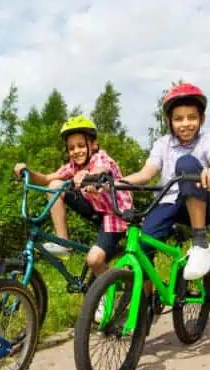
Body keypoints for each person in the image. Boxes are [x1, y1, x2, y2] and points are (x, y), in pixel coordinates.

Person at [121, 82, 210, 281]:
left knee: (186, 163)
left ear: (202, 119)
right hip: (169, 203)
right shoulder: (162, 144)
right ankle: (145, 298)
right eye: (178, 119)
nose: (185, 123)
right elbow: (145, 174)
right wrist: (112, 182)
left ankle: (201, 243)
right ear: (169, 121)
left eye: (192, 117)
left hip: (203, 202)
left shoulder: (206, 139)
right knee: (143, 245)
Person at [13, 116, 132, 277]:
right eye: (71, 148)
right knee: (54, 185)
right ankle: (63, 244)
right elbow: (46, 178)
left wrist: (89, 176)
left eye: (81, 146)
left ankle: (120, 282)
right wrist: (27, 171)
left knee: (94, 260)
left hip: (116, 215)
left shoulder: (100, 158)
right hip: (96, 210)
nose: (76, 151)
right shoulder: (73, 166)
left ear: (93, 144)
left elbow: (102, 169)